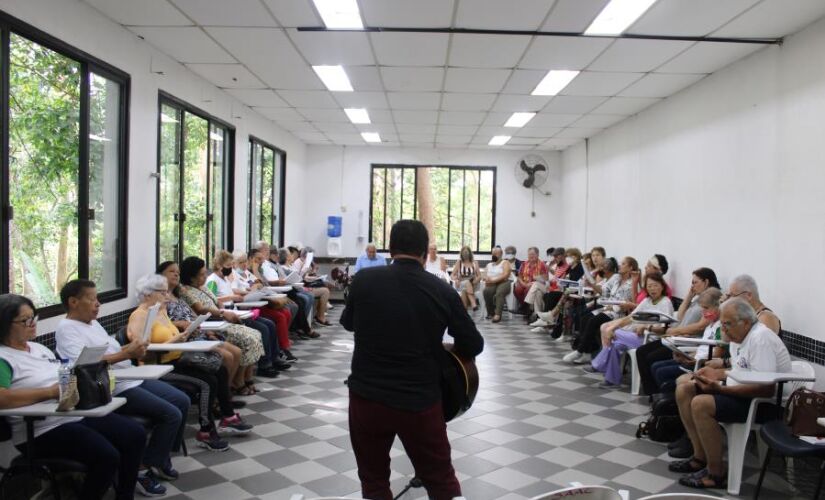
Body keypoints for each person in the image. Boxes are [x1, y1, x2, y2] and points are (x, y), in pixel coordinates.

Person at [341, 220, 484, 500]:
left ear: (391, 249)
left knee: (373, 480)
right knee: (441, 480)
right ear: (423, 252)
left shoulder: (364, 281)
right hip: (419, 400)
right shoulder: (442, 290)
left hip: (366, 397)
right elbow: (474, 344)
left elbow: (349, 324)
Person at [0, 294, 146, 500]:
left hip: (71, 415)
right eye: (25, 320)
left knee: (134, 434)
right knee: (107, 456)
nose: (33, 324)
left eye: (34, 318)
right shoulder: (3, 358)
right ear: (5, 324)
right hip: (41, 430)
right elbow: (2, 398)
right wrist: (49, 392)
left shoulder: (39, 349)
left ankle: (125, 495)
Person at [56, 279, 190, 495]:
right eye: (92, 299)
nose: (98, 304)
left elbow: (114, 351)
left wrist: (133, 348)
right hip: (114, 384)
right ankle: (144, 469)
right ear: (73, 302)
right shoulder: (67, 329)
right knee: (170, 414)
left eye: (98, 298)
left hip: (131, 374)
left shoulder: (93, 323)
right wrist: (126, 353)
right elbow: (84, 365)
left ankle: (160, 457)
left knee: (181, 400)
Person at [669, 298, 791, 489]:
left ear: (746, 322)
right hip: (745, 395)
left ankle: (716, 473)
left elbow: (766, 388)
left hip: (765, 404)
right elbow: (740, 370)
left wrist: (720, 388)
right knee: (685, 389)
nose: (723, 330)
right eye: (723, 323)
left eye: (727, 324)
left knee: (701, 404)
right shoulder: (739, 338)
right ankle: (699, 457)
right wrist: (714, 374)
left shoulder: (760, 339)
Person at [128, 274, 253, 441]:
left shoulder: (160, 311)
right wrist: (175, 340)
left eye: (166, 292)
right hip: (158, 367)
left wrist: (185, 334)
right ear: (147, 294)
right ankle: (206, 430)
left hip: (176, 359)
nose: (167, 296)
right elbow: (141, 351)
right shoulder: (140, 316)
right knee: (206, 383)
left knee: (220, 370)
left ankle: (227, 417)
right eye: (162, 292)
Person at [178, 257, 266, 393]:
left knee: (255, 333)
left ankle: (247, 377)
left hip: (220, 319)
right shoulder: (186, 291)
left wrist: (221, 308)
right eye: (201, 274)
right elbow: (200, 309)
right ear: (191, 276)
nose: (204, 276)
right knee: (246, 338)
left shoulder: (202, 287)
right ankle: (238, 382)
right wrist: (222, 313)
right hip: (211, 324)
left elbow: (216, 301)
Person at [636, 267, 720, 396]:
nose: (692, 285)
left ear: (706, 282)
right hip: (676, 336)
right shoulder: (697, 298)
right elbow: (680, 316)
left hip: (686, 341)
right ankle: (652, 393)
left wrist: (674, 331)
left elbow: (699, 327)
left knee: (651, 358)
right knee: (641, 351)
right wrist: (688, 296)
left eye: (695, 282)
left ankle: (657, 394)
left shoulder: (711, 300)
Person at [586, 272, 674, 388]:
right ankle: (611, 380)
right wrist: (613, 327)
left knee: (615, 334)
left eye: (655, 285)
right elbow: (631, 317)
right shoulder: (647, 301)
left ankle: (598, 364)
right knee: (615, 345)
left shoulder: (666, 302)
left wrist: (646, 327)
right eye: (649, 286)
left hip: (651, 340)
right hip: (636, 336)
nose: (652, 289)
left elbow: (664, 329)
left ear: (662, 286)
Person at [513, 247, 548, 315]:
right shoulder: (524, 264)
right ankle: (525, 307)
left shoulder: (542, 264)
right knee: (517, 290)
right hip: (524, 282)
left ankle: (526, 308)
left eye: (533, 254)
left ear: (537, 254)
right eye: (529, 254)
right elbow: (519, 276)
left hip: (535, 284)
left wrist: (534, 281)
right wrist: (523, 284)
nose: (531, 256)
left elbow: (545, 279)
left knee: (528, 290)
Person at [482, 246, 512, 322]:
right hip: (492, 283)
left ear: (501, 254)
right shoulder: (489, 265)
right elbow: (484, 275)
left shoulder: (505, 262)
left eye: (496, 254)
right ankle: (491, 313)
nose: (494, 255)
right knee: (486, 291)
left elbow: (505, 275)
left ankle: (498, 315)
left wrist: (494, 280)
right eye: (493, 254)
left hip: (503, 282)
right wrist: (486, 278)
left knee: (499, 293)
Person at [452, 246, 481, 311]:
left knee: (464, 290)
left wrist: (476, 280)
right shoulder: (459, 262)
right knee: (466, 282)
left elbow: (479, 276)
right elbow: (452, 275)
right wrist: (456, 279)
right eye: (464, 252)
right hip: (461, 283)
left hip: (473, 284)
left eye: (467, 252)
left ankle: (465, 312)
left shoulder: (475, 263)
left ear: (470, 253)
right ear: (461, 254)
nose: (465, 254)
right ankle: (473, 303)